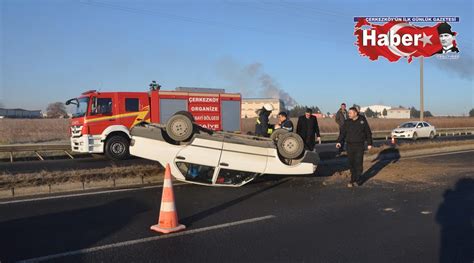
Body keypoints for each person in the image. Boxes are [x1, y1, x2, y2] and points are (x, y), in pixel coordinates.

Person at [336, 107, 373, 188]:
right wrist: (339, 141)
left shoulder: (362, 120)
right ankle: (352, 179)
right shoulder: (347, 122)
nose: (348, 114)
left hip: (359, 145)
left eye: (350, 113)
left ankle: (358, 180)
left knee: (358, 163)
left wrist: (369, 143)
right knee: (351, 163)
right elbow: (342, 133)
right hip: (349, 145)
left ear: (355, 113)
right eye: (348, 113)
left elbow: (368, 132)